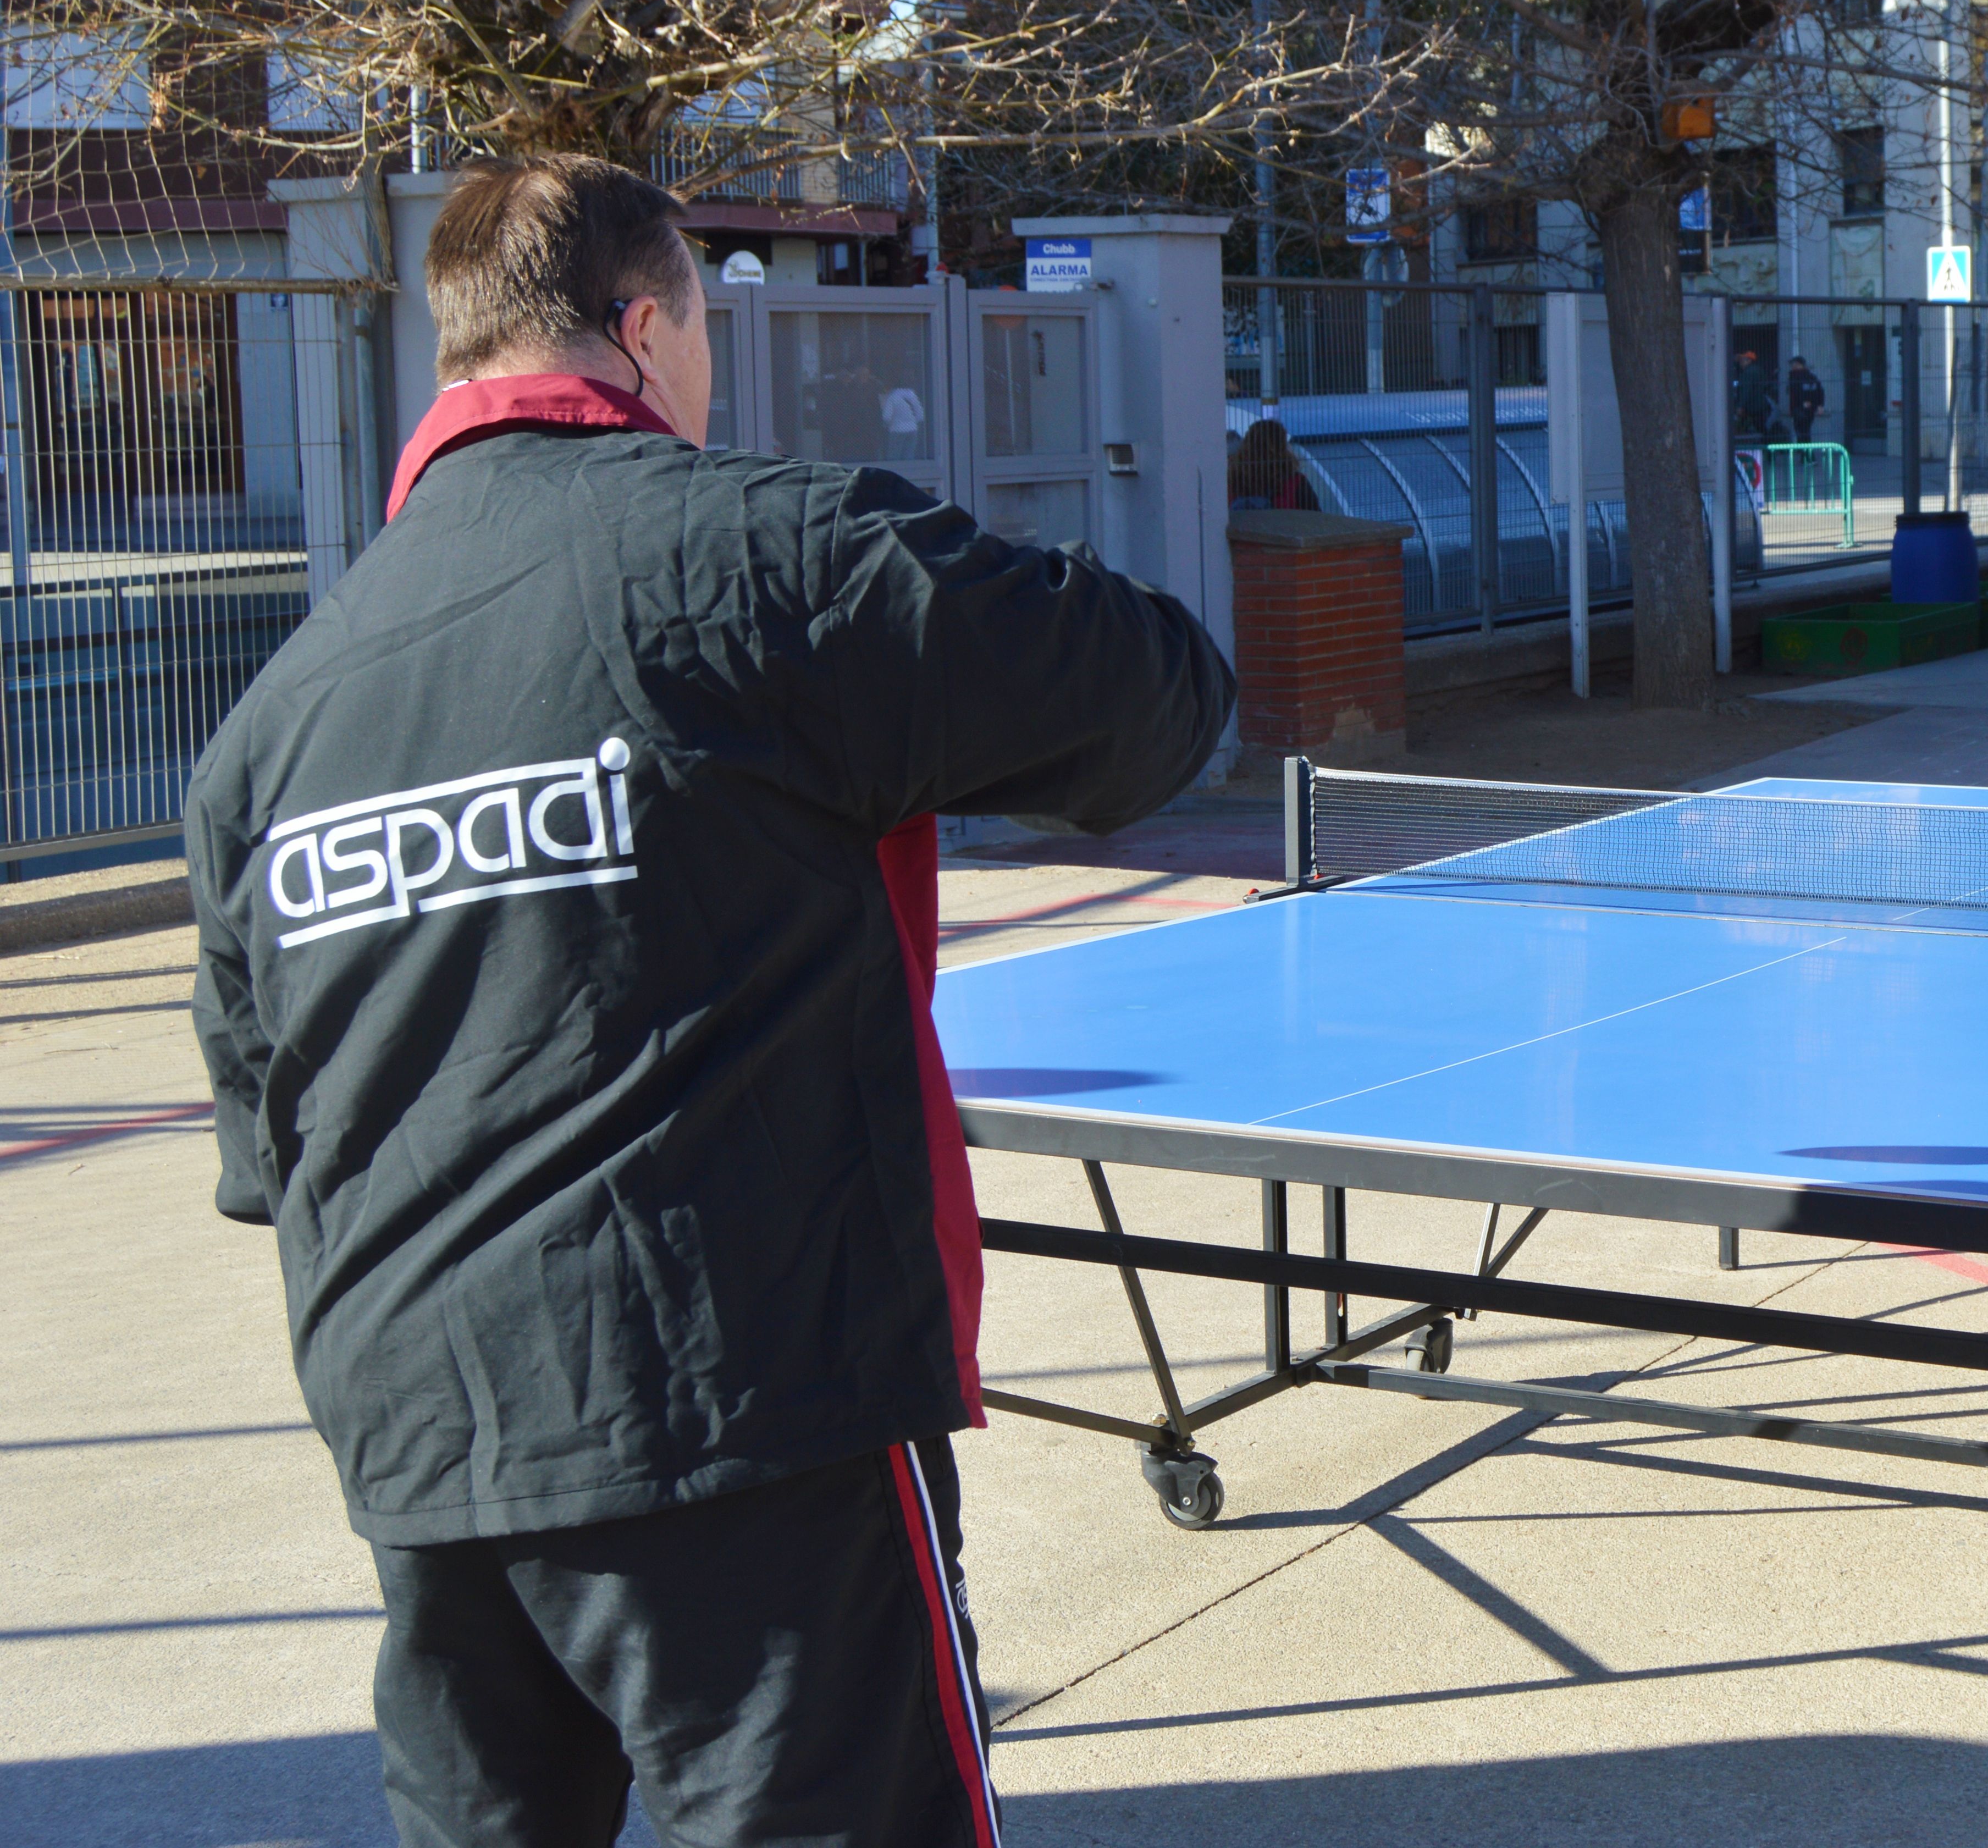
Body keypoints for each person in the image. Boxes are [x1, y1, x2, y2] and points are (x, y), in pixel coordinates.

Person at [185, 155, 1234, 1843]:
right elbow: (1156, 700)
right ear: (649, 324)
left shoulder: (274, 723)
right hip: (741, 1406)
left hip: (422, 1438)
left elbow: (264, 1151)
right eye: (706, 337)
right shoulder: (770, 555)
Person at [1786, 354, 1826, 444]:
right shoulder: (1811, 377)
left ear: (1800, 365)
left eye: (1794, 364)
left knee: (1802, 432)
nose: (1793, 366)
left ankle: (1807, 454)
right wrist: (1819, 405)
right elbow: (1820, 391)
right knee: (1805, 432)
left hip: (1800, 408)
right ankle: (1806, 455)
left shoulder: (1796, 377)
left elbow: (1796, 394)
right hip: (1808, 409)